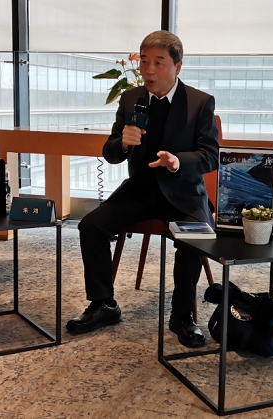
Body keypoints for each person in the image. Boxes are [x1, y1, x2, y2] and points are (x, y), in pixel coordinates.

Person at [66, 30, 219, 348]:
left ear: (177, 66)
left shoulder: (199, 102)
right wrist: (122, 143)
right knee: (90, 226)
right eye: (145, 62)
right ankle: (104, 304)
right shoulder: (131, 99)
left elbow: (210, 156)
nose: (149, 70)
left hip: (183, 194)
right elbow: (111, 152)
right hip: (139, 192)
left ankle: (183, 316)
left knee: (194, 237)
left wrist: (177, 162)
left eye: (158, 62)